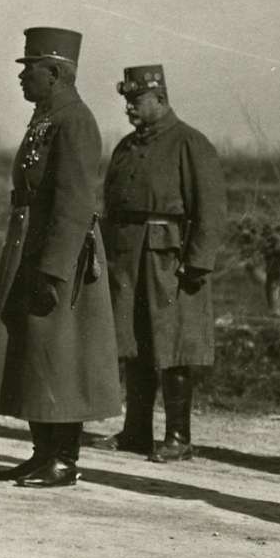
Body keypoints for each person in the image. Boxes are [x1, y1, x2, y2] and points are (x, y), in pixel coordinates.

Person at [0, 27, 119, 488]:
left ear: (54, 73)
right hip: (30, 245)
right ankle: (42, 454)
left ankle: (64, 460)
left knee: (59, 355)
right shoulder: (47, 117)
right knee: (33, 350)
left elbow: (74, 202)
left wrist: (54, 270)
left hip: (58, 255)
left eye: (28, 68)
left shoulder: (75, 121)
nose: (21, 77)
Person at [101, 64, 226, 462]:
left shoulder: (190, 143)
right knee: (134, 343)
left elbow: (211, 210)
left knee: (174, 347)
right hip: (128, 260)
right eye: (126, 101)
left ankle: (178, 437)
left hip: (170, 262)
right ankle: (136, 431)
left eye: (136, 100)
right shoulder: (125, 147)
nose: (129, 108)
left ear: (160, 98)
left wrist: (198, 262)